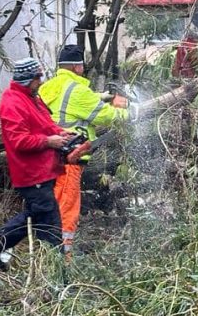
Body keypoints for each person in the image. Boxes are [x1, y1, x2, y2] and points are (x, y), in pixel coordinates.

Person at [0, 57, 74, 271]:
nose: (41, 81)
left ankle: (45, 268)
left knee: (39, 219)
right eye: (38, 77)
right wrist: (49, 141)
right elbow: (18, 140)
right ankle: (53, 271)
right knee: (48, 223)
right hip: (31, 174)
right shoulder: (12, 103)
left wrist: (60, 133)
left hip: (43, 172)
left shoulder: (31, 97)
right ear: (28, 79)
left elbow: (45, 124)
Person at [38, 44, 130, 258]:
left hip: (45, 157)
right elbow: (105, 116)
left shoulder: (48, 87)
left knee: (50, 207)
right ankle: (61, 261)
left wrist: (104, 96)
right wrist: (132, 113)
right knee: (67, 210)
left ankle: (44, 255)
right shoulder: (77, 90)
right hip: (69, 158)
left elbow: (70, 103)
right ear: (77, 67)